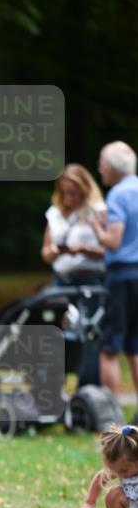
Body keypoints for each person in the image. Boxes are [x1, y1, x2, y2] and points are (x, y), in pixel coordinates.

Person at [40, 164, 106, 386]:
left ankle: (88, 386)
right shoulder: (55, 213)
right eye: (65, 191)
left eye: (74, 192)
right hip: (62, 281)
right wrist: (51, 252)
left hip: (90, 281)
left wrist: (84, 249)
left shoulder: (98, 211)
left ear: (85, 189)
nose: (70, 197)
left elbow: (110, 248)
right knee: (59, 333)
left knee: (88, 333)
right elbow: (46, 251)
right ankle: (55, 385)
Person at [93, 142, 138, 418]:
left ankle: (112, 416)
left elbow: (113, 240)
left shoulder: (118, 195)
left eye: (101, 164)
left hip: (121, 275)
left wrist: (96, 226)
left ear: (110, 167)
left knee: (109, 346)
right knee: (136, 345)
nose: (100, 169)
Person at [81, 424, 138, 508]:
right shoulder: (121, 469)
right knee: (113, 495)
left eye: (124, 470)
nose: (120, 475)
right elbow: (100, 478)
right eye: (115, 471)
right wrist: (90, 502)